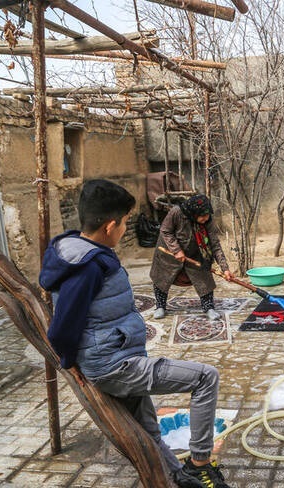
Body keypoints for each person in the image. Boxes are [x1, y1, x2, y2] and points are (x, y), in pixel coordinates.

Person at [39, 180, 231, 488]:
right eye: (126, 222)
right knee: (205, 377)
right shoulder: (88, 266)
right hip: (115, 365)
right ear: (111, 225)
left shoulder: (84, 251)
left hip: (119, 355)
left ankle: (175, 478)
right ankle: (199, 464)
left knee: (148, 430)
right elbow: (62, 326)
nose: (126, 227)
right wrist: (70, 363)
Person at [150, 194, 234, 320]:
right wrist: (176, 250)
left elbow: (215, 244)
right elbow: (165, 230)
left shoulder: (208, 220)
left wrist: (225, 268)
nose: (206, 218)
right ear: (193, 213)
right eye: (202, 215)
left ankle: (208, 307)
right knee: (162, 278)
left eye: (207, 215)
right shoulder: (177, 212)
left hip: (196, 252)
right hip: (168, 251)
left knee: (204, 278)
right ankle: (160, 306)